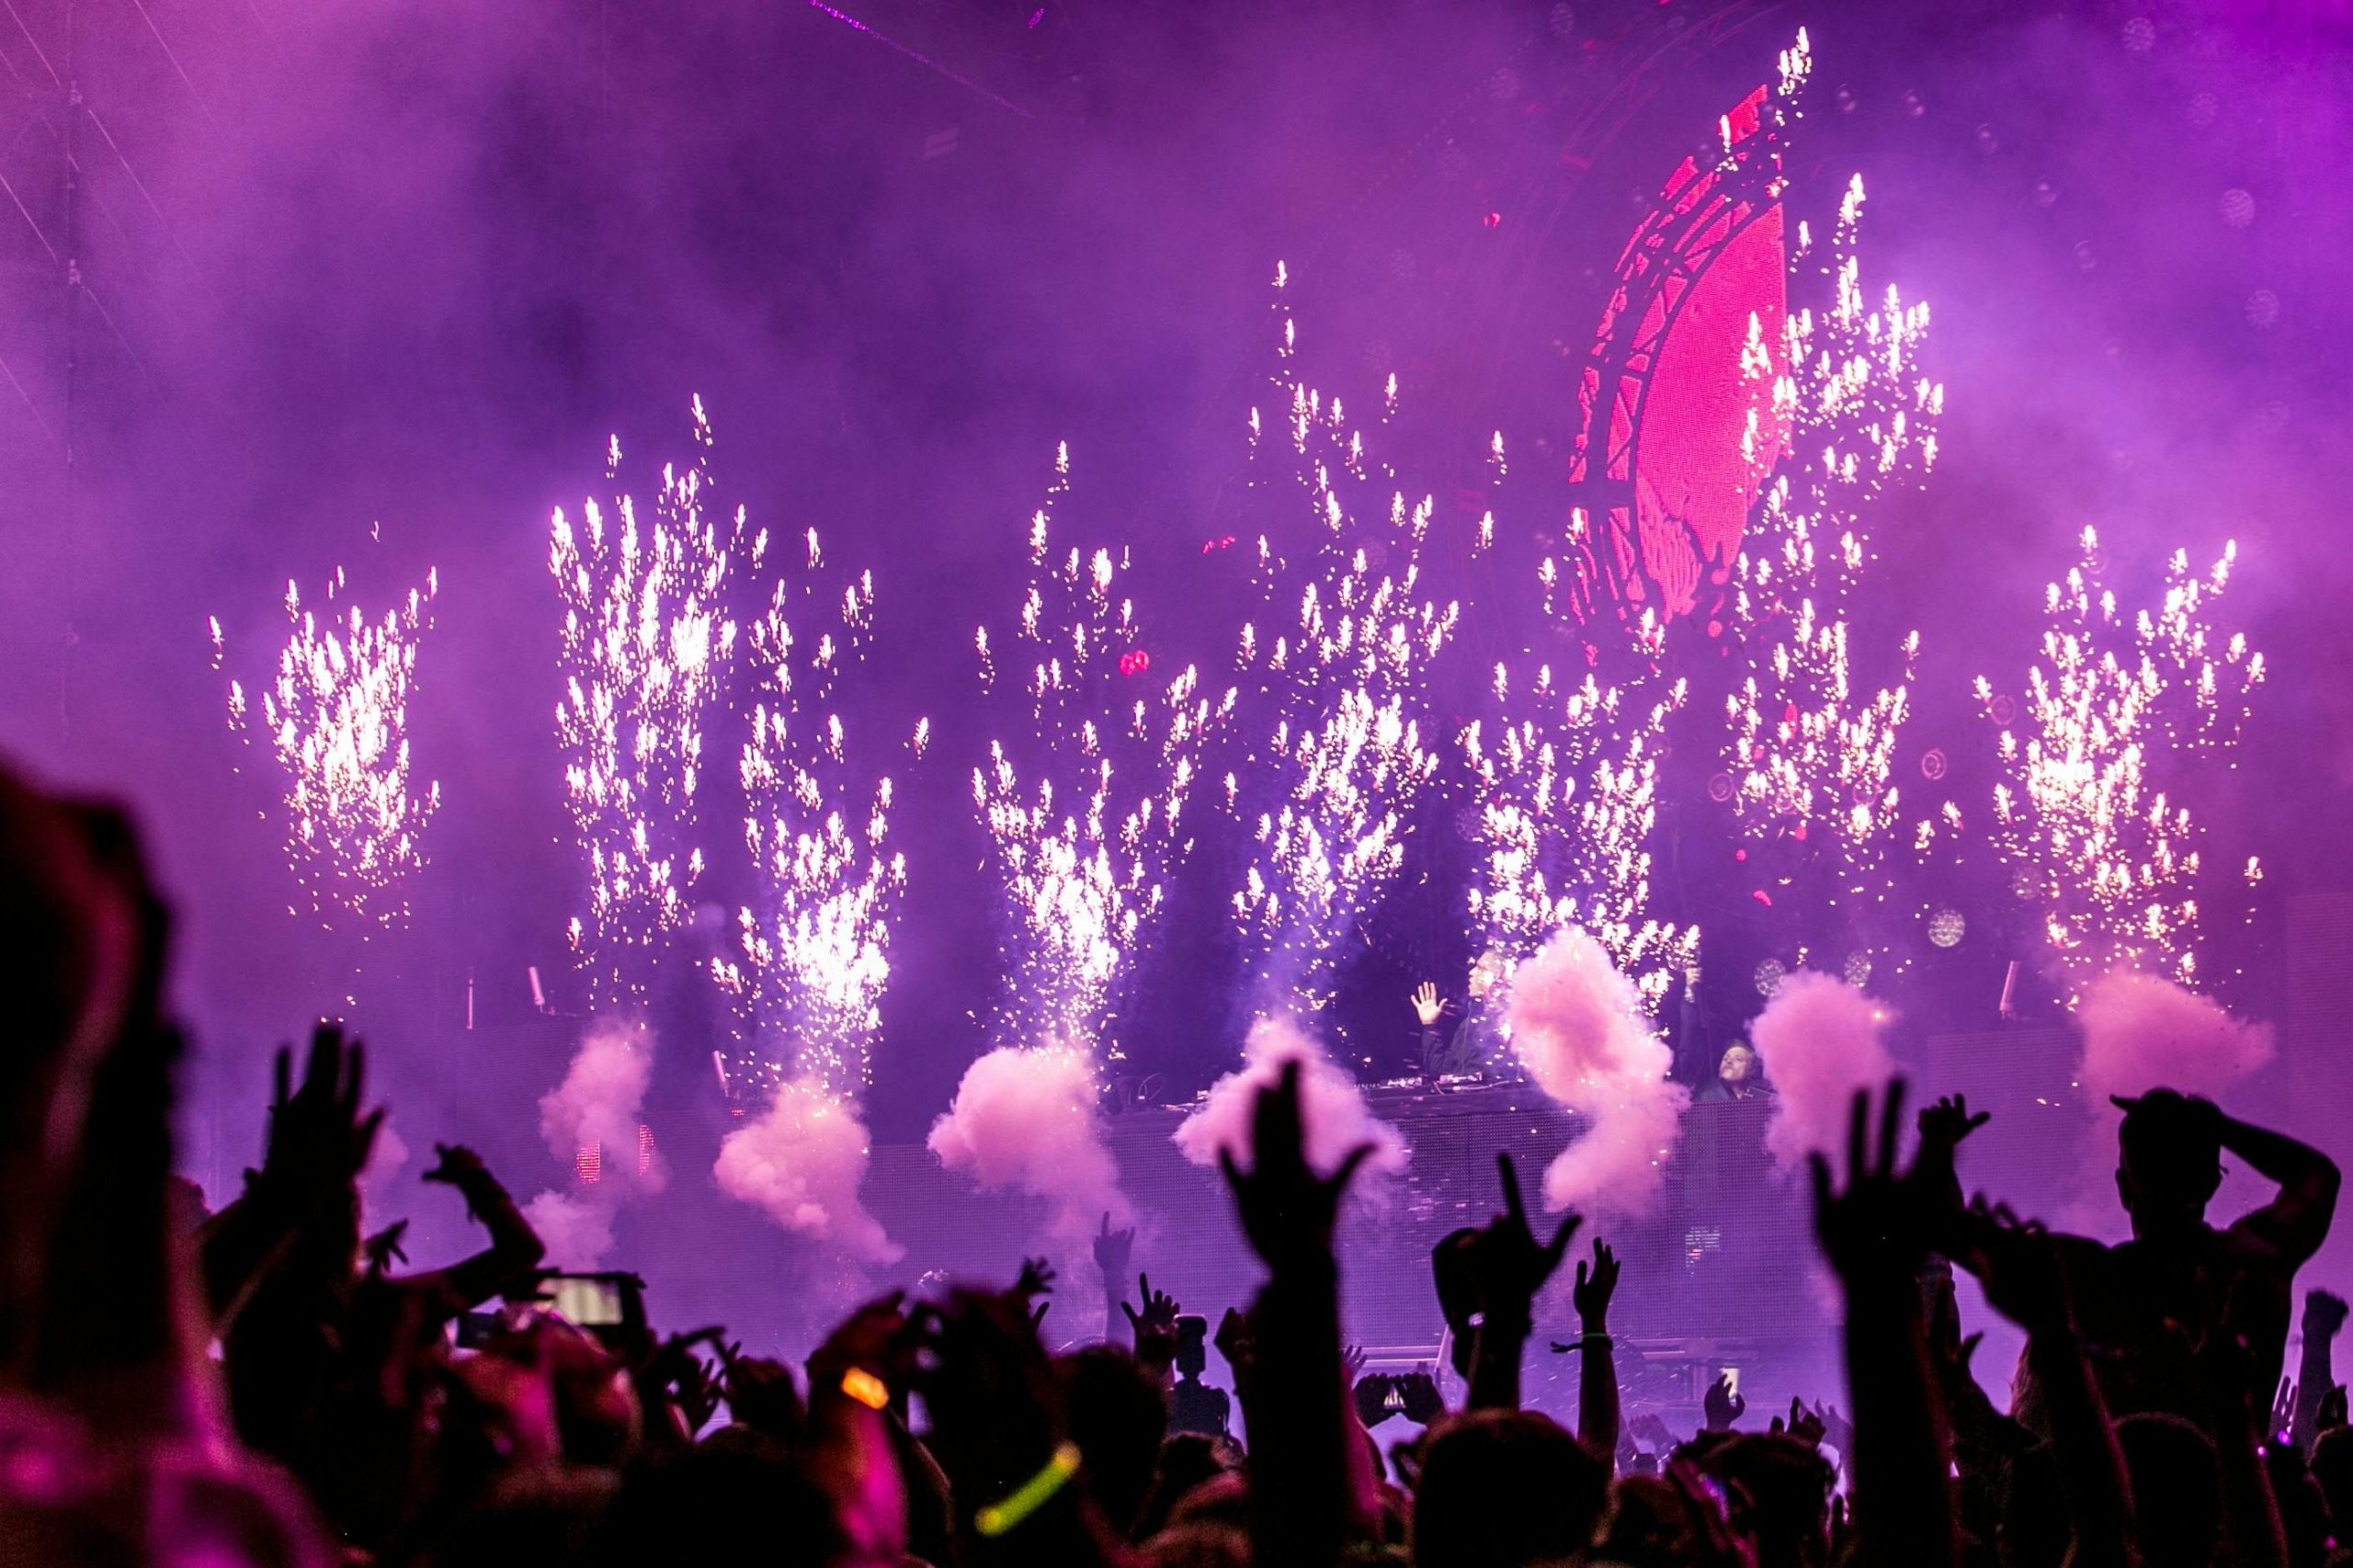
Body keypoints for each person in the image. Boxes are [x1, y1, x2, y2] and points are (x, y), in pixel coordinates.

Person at [1989, 1088, 2339, 1438]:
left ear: (2123, 1187)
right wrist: (2217, 1126)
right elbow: (2318, 1179)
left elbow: (1952, 1228)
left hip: (2112, 1492)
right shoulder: (2250, 1266)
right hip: (2233, 1492)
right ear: (2213, 1184)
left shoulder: (2084, 1274)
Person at [1411, 949, 1513, 1079]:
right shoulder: (1470, 1024)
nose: (1471, 972)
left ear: (1497, 975)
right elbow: (1441, 1073)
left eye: (1480, 968)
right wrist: (1430, 1026)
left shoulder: (1514, 1022)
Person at [1697, 1041, 1769, 1103]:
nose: (1729, 1061)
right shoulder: (1706, 1097)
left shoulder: (1763, 1098)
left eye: (1738, 1059)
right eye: (1725, 1059)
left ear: (1751, 1069)